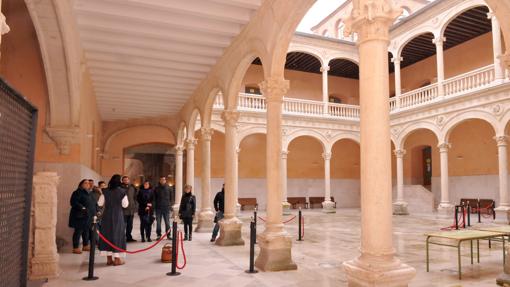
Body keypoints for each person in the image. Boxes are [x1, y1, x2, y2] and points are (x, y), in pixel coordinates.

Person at [98, 174, 129, 266]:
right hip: (117, 216)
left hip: (107, 216)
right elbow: (125, 205)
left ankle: (109, 260)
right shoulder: (122, 191)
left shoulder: (105, 191)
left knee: (107, 235)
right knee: (117, 235)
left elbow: (99, 203)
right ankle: (117, 259)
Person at [68, 179, 96, 254]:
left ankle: (85, 245)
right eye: (85, 183)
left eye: (88, 183)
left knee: (86, 231)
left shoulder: (90, 193)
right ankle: (75, 247)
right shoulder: (77, 192)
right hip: (79, 215)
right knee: (78, 231)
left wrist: (95, 212)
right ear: (81, 184)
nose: (87, 184)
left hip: (88, 216)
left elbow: (93, 203)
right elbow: (73, 202)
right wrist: (82, 207)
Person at [121, 176, 138, 242]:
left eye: (127, 180)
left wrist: (135, 205)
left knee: (130, 225)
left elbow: (135, 197)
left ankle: (129, 237)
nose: (126, 181)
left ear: (129, 180)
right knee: (123, 224)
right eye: (124, 180)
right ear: (122, 181)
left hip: (131, 209)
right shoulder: (120, 188)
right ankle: (122, 237)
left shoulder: (132, 187)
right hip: (123, 210)